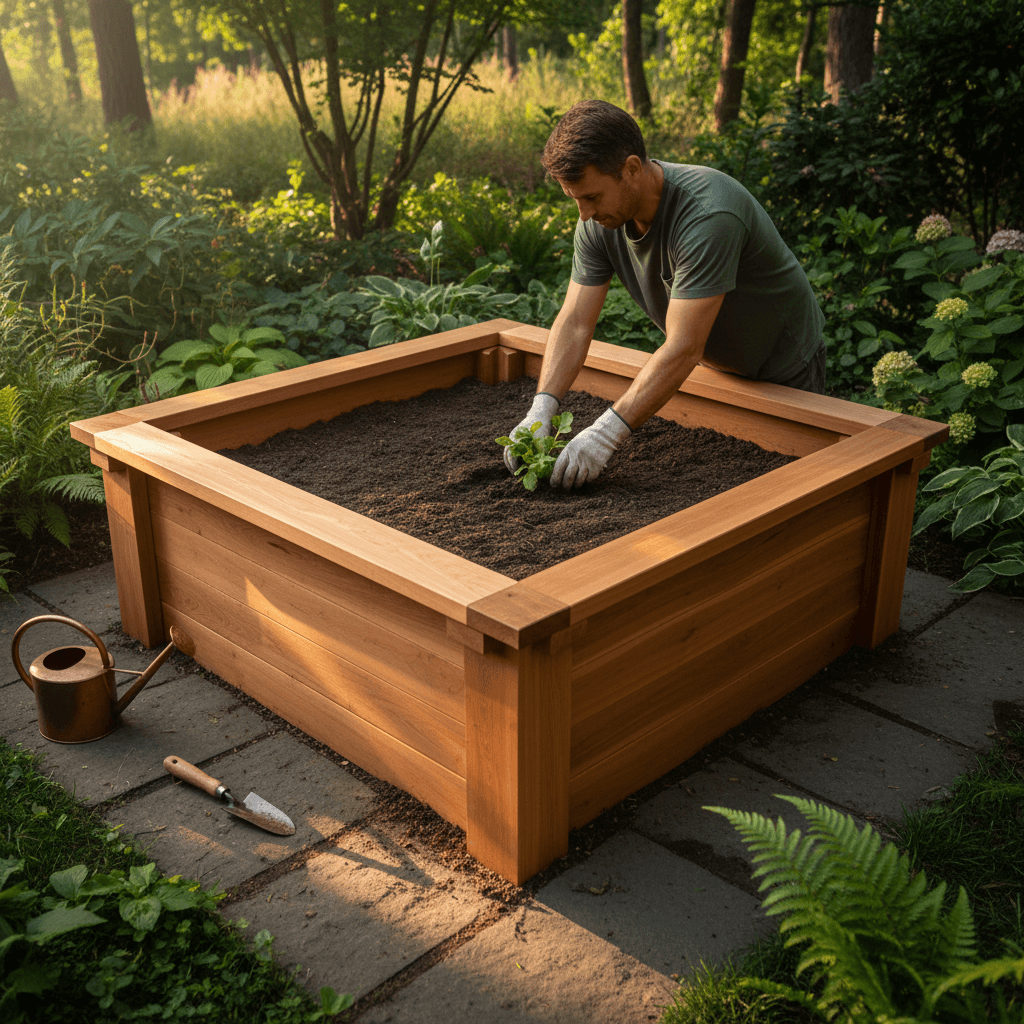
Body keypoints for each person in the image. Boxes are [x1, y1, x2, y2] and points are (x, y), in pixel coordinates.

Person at [503, 98, 826, 489]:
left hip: (784, 368)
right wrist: (544, 406)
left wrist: (604, 434)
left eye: (591, 197)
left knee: (788, 493)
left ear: (632, 169)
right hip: (712, 368)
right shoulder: (598, 223)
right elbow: (573, 323)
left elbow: (683, 347)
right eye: (575, 200)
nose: (583, 214)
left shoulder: (708, 215)